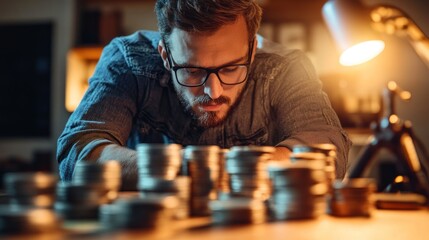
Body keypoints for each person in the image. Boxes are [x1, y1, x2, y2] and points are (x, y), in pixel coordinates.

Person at [57, 0, 351, 187]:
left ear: (252, 51)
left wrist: (248, 167)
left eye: (231, 68)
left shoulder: (286, 68)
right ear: (164, 54)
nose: (213, 91)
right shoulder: (127, 60)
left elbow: (329, 149)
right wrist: (179, 167)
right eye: (193, 70)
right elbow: (77, 152)